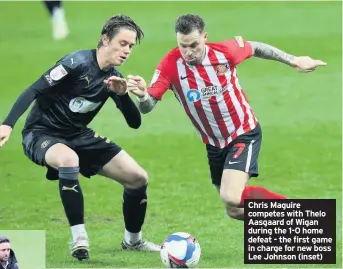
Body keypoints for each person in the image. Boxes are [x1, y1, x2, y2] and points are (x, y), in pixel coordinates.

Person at [123, 14, 327, 221]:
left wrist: (293, 61)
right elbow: (147, 107)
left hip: (243, 133)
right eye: (183, 46)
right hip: (214, 144)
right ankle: (288, 223)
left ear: (204, 37)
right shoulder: (170, 65)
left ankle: (301, 215)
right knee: (234, 210)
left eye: (193, 45)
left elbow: (254, 47)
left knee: (231, 196)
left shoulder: (225, 52)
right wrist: (142, 95)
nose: (188, 52)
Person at [0, 14, 160, 261]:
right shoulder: (75, 63)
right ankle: (79, 238)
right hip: (42, 133)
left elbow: (134, 123)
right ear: (105, 40)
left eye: (130, 46)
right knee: (68, 159)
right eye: (122, 43)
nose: (127, 50)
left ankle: (133, 240)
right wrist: (7, 125)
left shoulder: (113, 78)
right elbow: (33, 89)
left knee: (138, 178)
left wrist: (126, 95)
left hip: (77, 134)